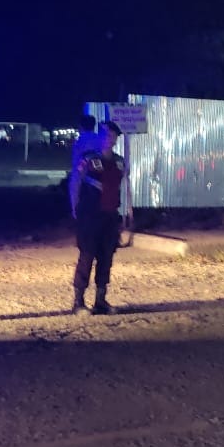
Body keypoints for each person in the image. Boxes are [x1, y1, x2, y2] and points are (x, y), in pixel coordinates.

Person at [70, 118, 124, 315]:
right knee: (87, 256)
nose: (108, 138)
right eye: (105, 135)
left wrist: (127, 212)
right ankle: (78, 302)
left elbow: (123, 186)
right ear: (99, 137)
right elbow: (76, 181)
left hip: (110, 217)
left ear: (116, 139)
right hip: (90, 216)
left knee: (106, 258)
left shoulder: (119, 162)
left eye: (112, 135)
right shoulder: (89, 159)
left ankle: (100, 301)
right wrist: (74, 207)